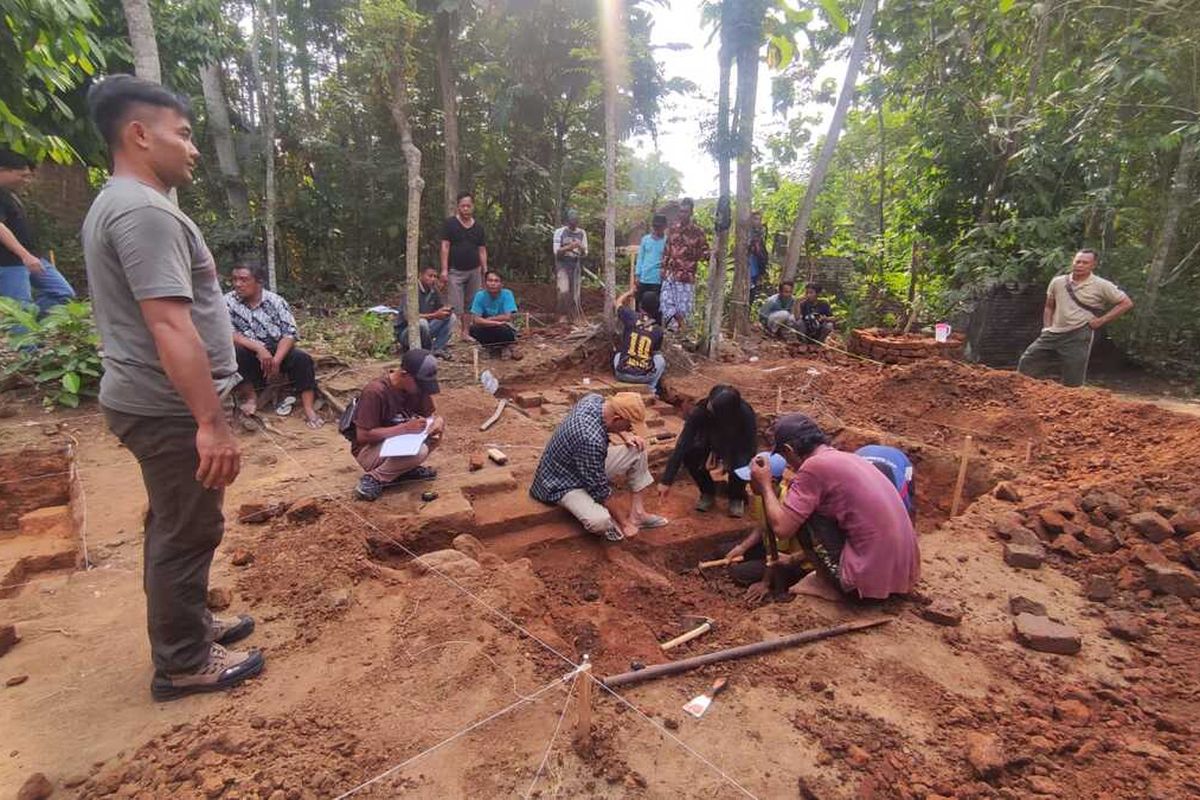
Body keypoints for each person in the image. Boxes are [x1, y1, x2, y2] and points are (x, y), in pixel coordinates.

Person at [82, 75, 262, 700]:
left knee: (176, 522)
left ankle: (189, 626)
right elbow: (169, 322)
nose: (192, 148)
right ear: (138, 134)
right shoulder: (144, 212)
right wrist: (210, 422)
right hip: (167, 408)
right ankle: (184, 660)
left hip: (156, 401)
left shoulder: (125, 204)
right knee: (188, 529)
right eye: (182, 135)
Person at [750, 414, 920, 602]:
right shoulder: (848, 458)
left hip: (863, 589)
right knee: (822, 507)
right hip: (902, 576)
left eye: (784, 456)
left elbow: (782, 529)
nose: (788, 463)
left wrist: (765, 485)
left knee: (804, 512)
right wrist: (792, 560)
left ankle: (828, 583)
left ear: (789, 449)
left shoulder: (813, 468)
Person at [530, 392, 667, 542]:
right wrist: (625, 524)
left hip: (580, 462)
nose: (630, 429)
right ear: (617, 419)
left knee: (637, 450)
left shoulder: (593, 400)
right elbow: (601, 491)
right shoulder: (590, 439)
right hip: (561, 482)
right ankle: (617, 521)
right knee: (600, 522)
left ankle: (638, 515)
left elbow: (612, 418)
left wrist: (626, 436)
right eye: (629, 426)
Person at [225, 263, 323, 429]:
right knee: (236, 352)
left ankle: (308, 408)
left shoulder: (276, 301)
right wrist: (259, 349)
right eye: (234, 280)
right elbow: (229, 333)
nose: (237, 284)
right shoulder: (227, 302)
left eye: (243, 280)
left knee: (302, 359)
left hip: (277, 349)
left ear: (259, 281)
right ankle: (251, 397)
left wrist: (276, 360)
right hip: (248, 351)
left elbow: (289, 333)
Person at [1017, 249, 1133, 387]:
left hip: (1078, 334)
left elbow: (1126, 303)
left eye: (1085, 263)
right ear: (1073, 262)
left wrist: (1101, 321)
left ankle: (1071, 405)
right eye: (1078, 261)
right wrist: (1046, 327)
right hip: (1053, 332)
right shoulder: (1058, 282)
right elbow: (1049, 306)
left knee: (1073, 378)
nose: (1080, 265)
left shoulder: (1101, 285)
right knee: (1027, 361)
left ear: (1093, 265)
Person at [349, 349, 445, 501]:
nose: (422, 389)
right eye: (419, 384)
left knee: (435, 433)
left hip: (398, 442)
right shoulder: (376, 391)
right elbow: (363, 436)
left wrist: (437, 421)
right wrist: (405, 428)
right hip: (368, 450)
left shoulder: (416, 388)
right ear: (404, 374)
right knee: (419, 451)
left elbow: (430, 417)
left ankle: (403, 470)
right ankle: (374, 478)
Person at [722, 452, 811, 601]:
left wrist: (765, 582)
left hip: (791, 560)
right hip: (772, 549)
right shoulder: (761, 496)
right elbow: (762, 527)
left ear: (772, 481)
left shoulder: (785, 504)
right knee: (723, 551)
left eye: (752, 479)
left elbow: (777, 553)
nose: (748, 484)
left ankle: (784, 588)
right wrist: (742, 548)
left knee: (738, 573)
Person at [659, 385, 757, 518]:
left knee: (740, 463)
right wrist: (666, 480)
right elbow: (683, 443)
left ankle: (736, 497)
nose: (710, 407)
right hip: (708, 440)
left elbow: (750, 443)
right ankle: (707, 492)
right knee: (690, 455)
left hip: (736, 443)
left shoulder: (744, 413)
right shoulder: (700, 411)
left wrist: (744, 462)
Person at [0, 150, 76, 314]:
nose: (26, 181)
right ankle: (26, 336)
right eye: (23, 175)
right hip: (9, 262)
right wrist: (24, 255)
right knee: (20, 310)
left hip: (31, 257)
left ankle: (35, 327)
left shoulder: (10, 195)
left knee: (62, 293)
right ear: (3, 170)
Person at [440, 191, 487, 335]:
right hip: (455, 270)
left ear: (473, 207)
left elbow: (482, 250)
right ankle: (452, 331)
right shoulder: (450, 224)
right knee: (455, 303)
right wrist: (444, 269)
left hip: (474, 270)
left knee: (471, 303)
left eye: (468, 206)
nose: (465, 209)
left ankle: (465, 332)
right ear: (458, 207)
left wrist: (485, 270)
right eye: (462, 206)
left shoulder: (478, 227)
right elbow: (445, 246)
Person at [661, 198, 710, 330]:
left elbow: (705, 252)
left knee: (684, 309)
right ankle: (673, 329)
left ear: (691, 213)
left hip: (686, 276)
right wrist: (663, 269)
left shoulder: (698, 232)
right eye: (681, 211)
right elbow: (667, 249)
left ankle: (681, 334)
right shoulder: (673, 229)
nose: (682, 214)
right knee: (665, 303)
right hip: (671, 274)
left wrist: (706, 255)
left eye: (685, 212)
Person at [613, 286, 666, 393]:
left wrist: (629, 292)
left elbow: (617, 303)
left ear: (640, 305)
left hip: (622, 374)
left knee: (618, 355)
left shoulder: (630, 316)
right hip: (644, 377)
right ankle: (651, 389)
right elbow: (654, 353)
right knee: (660, 359)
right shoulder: (658, 330)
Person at [395, 265, 455, 356]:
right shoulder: (411, 291)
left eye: (435, 277)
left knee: (451, 317)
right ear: (420, 275)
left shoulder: (434, 290)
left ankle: (437, 348)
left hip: (426, 328)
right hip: (407, 331)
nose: (433, 279)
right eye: (430, 276)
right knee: (422, 323)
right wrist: (434, 315)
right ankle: (425, 350)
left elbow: (440, 308)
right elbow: (409, 317)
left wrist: (446, 310)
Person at [469, 270, 522, 359]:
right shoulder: (480, 295)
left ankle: (505, 346)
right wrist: (495, 322)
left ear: (502, 284)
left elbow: (507, 317)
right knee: (473, 329)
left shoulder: (507, 294)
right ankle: (487, 346)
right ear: (485, 283)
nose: (493, 284)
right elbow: (476, 319)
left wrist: (488, 319)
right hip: (488, 326)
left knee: (505, 329)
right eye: (490, 280)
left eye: (496, 281)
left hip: (503, 327)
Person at [855, 444, 916, 522]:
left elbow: (905, 512)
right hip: (863, 453)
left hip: (900, 460)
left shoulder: (899, 488)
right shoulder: (851, 484)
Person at [552, 209, 588, 323]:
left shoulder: (582, 233)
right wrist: (570, 247)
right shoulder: (559, 232)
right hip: (563, 263)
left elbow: (585, 252)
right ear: (567, 221)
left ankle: (574, 316)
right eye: (571, 221)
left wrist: (581, 247)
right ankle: (562, 316)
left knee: (575, 292)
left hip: (576, 263)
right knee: (563, 290)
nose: (574, 223)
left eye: (576, 221)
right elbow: (556, 251)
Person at [634, 213, 667, 323]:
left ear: (664, 227)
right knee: (640, 305)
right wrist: (637, 275)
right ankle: (638, 327)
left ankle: (655, 330)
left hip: (658, 280)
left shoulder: (667, 242)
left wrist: (665, 272)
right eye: (655, 226)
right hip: (644, 278)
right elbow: (640, 258)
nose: (657, 229)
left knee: (656, 307)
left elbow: (668, 259)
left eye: (660, 227)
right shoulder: (645, 240)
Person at [748, 210, 768, 304]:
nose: (758, 221)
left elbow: (762, 253)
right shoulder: (747, 233)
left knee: (752, 291)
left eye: (759, 219)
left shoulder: (760, 234)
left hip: (757, 264)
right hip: (749, 263)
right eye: (755, 219)